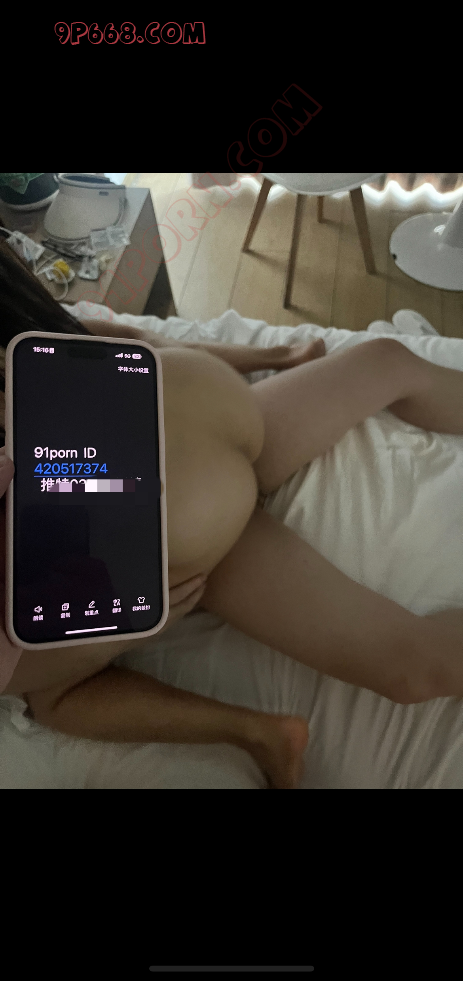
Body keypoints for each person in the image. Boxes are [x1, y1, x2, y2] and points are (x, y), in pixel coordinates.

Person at [2, 236, 463, 790]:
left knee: (48, 696)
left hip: (179, 508)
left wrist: (122, 625)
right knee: (387, 361)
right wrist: (273, 358)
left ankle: (259, 732)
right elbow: (118, 337)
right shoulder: (15, 296)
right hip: (203, 395)